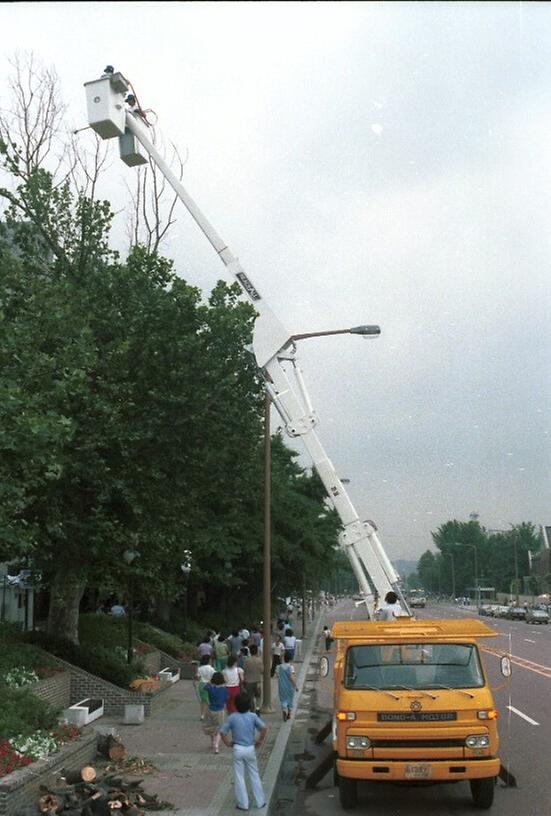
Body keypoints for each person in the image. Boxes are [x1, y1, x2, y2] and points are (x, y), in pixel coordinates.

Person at [219, 692, 267, 811]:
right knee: (254, 774)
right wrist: (259, 741)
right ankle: (260, 801)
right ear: (250, 705)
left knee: (239, 776)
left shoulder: (232, 717)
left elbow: (223, 732)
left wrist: (228, 743)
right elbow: (264, 728)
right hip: (250, 748)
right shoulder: (253, 716)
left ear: (235, 705)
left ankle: (243, 804)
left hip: (237, 749)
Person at [203, 672, 228, 753]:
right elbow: (227, 699)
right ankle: (216, 745)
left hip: (210, 710)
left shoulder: (210, 688)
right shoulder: (224, 690)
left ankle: (213, 742)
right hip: (220, 710)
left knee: (211, 727)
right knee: (220, 728)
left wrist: (210, 682)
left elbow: (205, 687)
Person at [276, 652, 298, 721]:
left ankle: (284, 710)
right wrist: (295, 686)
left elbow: (277, 676)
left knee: (283, 700)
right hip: (290, 687)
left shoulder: (278, 667)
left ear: (283, 658)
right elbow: (292, 677)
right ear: (290, 659)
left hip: (282, 686)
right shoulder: (291, 667)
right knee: (290, 700)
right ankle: (289, 714)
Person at [243, 644, 263, 715]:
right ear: (257, 651)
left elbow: (244, 670)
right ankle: (258, 708)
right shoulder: (259, 660)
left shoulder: (247, 661)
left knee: (250, 697)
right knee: (258, 696)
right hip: (257, 681)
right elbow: (262, 671)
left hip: (248, 681)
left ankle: (252, 709)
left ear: (250, 652)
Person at [196, 654, 215, 720]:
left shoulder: (199, 668)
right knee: (208, 700)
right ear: (209, 660)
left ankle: (202, 714)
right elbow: (214, 677)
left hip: (201, 685)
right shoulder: (211, 669)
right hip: (209, 684)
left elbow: (198, 678)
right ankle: (207, 714)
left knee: (203, 700)